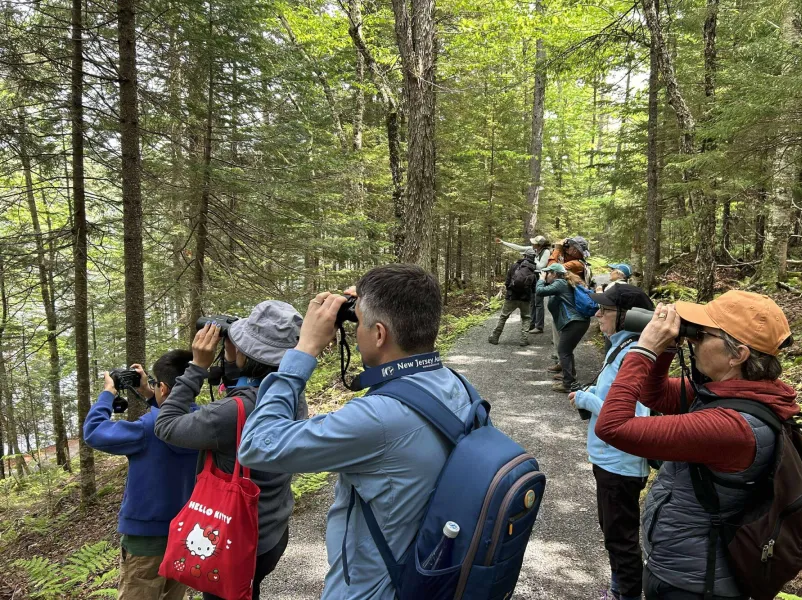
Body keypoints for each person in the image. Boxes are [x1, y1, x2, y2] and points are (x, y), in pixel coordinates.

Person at [237, 264, 472, 600]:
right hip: (425, 573)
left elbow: (257, 445)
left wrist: (303, 350)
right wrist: (368, 306)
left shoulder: (379, 419)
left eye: (358, 322)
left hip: (370, 590)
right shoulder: (455, 385)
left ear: (379, 334)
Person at [595, 291, 798, 600]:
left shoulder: (732, 426)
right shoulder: (737, 392)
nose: (693, 340)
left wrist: (645, 349)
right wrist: (667, 348)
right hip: (685, 570)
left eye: (702, 335)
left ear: (738, 354)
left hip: (695, 585)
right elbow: (655, 395)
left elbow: (613, 427)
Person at [154, 300, 303, 600]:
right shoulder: (290, 394)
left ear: (248, 355)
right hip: (272, 531)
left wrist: (197, 367)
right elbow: (250, 387)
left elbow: (166, 425)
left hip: (233, 539)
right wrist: (237, 361)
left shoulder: (230, 413)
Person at [83, 351, 197, 600]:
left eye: (156, 384)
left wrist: (108, 393)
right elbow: (172, 414)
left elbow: (93, 431)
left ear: (163, 388)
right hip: (185, 534)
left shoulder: (146, 429)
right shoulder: (203, 423)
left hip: (146, 540)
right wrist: (149, 392)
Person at [567, 284, 655, 600]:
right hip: (609, 459)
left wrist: (587, 400)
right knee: (613, 533)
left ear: (628, 317)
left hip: (621, 463)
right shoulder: (621, 347)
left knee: (621, 539)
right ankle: (619, 589)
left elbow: (633, 416)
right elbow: (614, 397)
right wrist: (592, 393)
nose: (598, 314)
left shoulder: (633, 355)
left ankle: (626, 594)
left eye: (605, 310)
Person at [535, 263, 590, 393]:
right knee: (567, 350)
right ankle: (569, 376)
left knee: (563, 350)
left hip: (574, 322)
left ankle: (568, 384)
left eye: (548, 273)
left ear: (554, 274)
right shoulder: (564, 283)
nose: (546, 275)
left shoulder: (560, 283)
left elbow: (540, 291)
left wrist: (541, 280)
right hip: (578, 322)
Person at [495, 235, 551, 333]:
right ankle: (531, 324)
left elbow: (541, 267)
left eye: (534, 243)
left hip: (540, 278)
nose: (532, 244)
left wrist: (533, 257)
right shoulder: (532, 249)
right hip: (531, 278)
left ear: (539, 245)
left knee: (538, 303)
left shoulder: (546, 252)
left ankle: (539, 326)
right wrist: (503, 242)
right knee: (532, 302)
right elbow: (519, 248)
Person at [489, 247, 537, 347]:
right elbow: (534, 288)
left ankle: (495, 337)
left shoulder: (515, 266)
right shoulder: (533, 269)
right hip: (525, 299)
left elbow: (507, 282)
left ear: (524, 255)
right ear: (533, 257)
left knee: (503, 317)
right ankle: (524, 339)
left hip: (512, 296)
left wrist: (511, 290)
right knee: (526, 318)